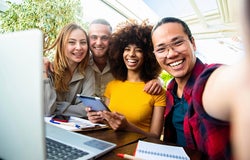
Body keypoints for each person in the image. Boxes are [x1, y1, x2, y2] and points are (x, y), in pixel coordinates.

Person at [151, 2, 250, 158]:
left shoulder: (209, 79)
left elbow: (233, 83)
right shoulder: (170, 90)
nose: (170, 54)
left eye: (177, 43)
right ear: (155, 55)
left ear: (193, 43)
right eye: (161, 49)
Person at [86, 20, 166, 138]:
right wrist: (97, 118)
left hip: (138, 151)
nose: (131, 54)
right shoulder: (112, 86)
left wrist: (127, 127)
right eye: (127, 49)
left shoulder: (157, 91)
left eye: (138, 50)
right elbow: (108, 124)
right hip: (111, 146)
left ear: (148, 55)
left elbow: (155, 137)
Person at [88, 19, 163, 99]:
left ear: (111, 40)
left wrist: (158, 81)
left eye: (104, 38)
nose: (99, 42)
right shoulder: (82, 63)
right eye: (94, 37)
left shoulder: (121, 62)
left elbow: (145, 72)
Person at [43, 23, 95, 117]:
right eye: (72, 42)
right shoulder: (48, 70)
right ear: (61, 45)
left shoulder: (88, 71)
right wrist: (43, 74)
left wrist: (56, 106)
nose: (79, 47)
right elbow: (47, 110)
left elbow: (87, 109)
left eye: (83, 42)